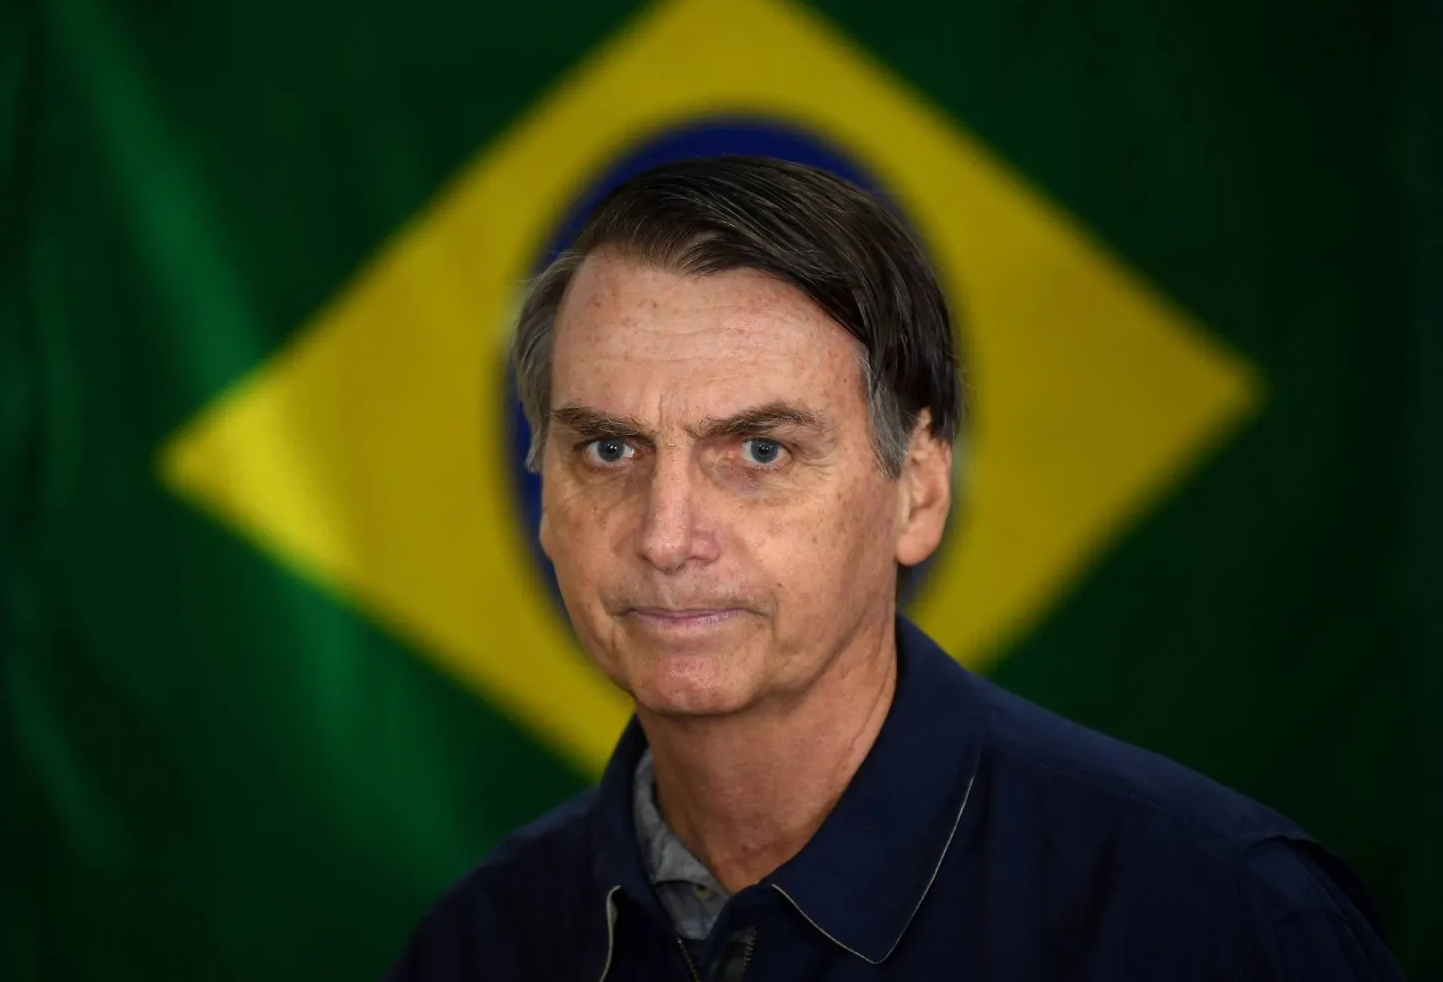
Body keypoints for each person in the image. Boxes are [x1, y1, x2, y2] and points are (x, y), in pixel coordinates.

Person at [384, 157, 1402, 981]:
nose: (666, 534)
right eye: (609, 449)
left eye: (761, 450)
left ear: (918, 488)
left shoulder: (1221, 922)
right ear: (544, 492)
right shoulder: (478, 947)